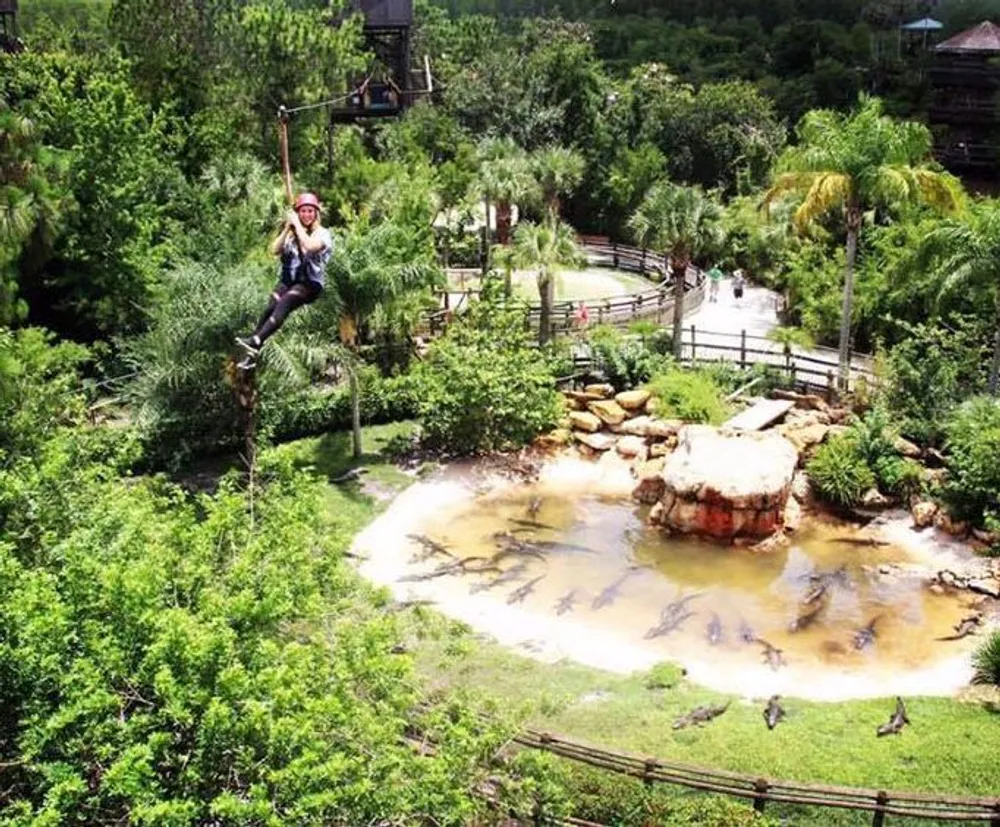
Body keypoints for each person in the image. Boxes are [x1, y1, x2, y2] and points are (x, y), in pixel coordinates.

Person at [236, 192, 332, 369]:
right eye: (303, 211)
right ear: (298, 212)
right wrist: (288, 228)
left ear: (316, 213)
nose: (306, 215)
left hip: (309, 283)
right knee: (270, 307)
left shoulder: (322, 234)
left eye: (310, 211)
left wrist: (298, 226)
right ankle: (252, 353)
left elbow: (310, 246)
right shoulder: (292, 233)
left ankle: (256, 339)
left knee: (284, 303)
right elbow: (274, 250)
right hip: (289, 280)